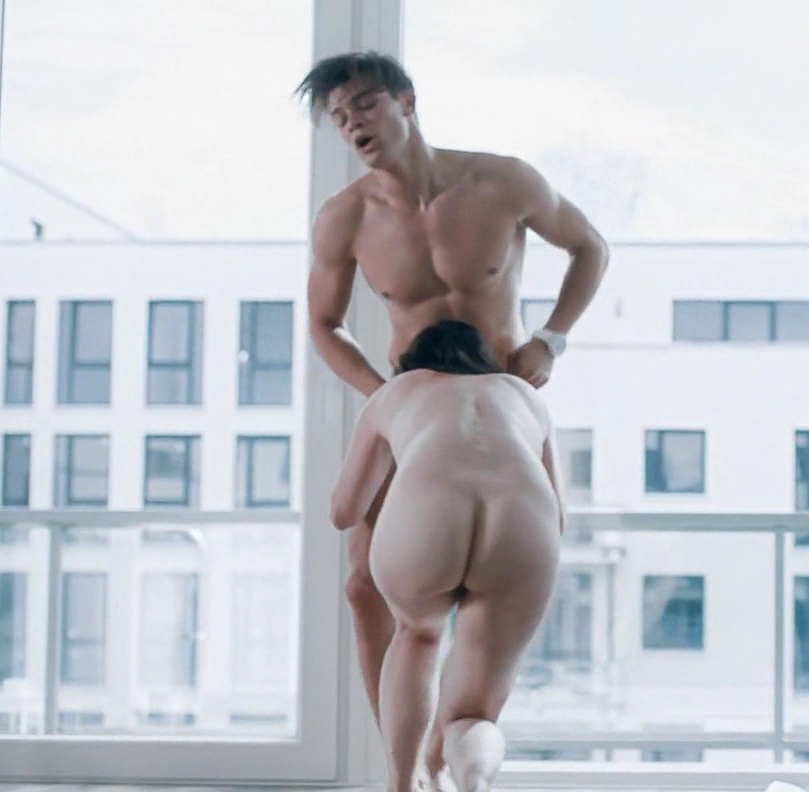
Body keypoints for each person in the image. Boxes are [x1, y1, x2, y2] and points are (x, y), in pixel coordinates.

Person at [292, 50, 608, 775]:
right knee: (363, 586)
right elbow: (323, 325)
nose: (353, 124)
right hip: (409, 410)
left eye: (364, 104)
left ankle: (448, 745)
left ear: (406, 101)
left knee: (488, 587)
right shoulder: (344, 218)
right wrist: (384, 394)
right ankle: (407, 767)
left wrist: (551, 340)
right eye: (339, 117)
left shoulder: (503, 182)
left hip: (502, 396)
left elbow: (589, 247)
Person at [331, 320, 564, 792]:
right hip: (523, 523)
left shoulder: (397, 392)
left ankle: (403, 784)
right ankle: (473, 781)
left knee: (417, 635)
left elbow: (343, 511)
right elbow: (559, 513)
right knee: (473, 713)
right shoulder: (525, 396)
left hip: (428, 515)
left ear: (410, 362)